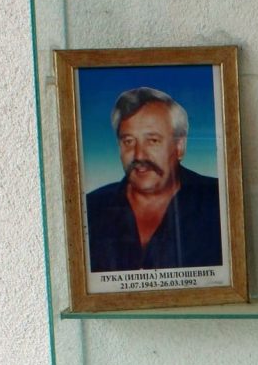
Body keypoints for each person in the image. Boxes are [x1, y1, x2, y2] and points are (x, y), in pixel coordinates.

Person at [85, 87, 222, 272]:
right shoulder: (90, 209)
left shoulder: (220, 202)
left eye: (153, 140)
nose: (139, 155)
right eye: (128, 141)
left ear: (179, 146)